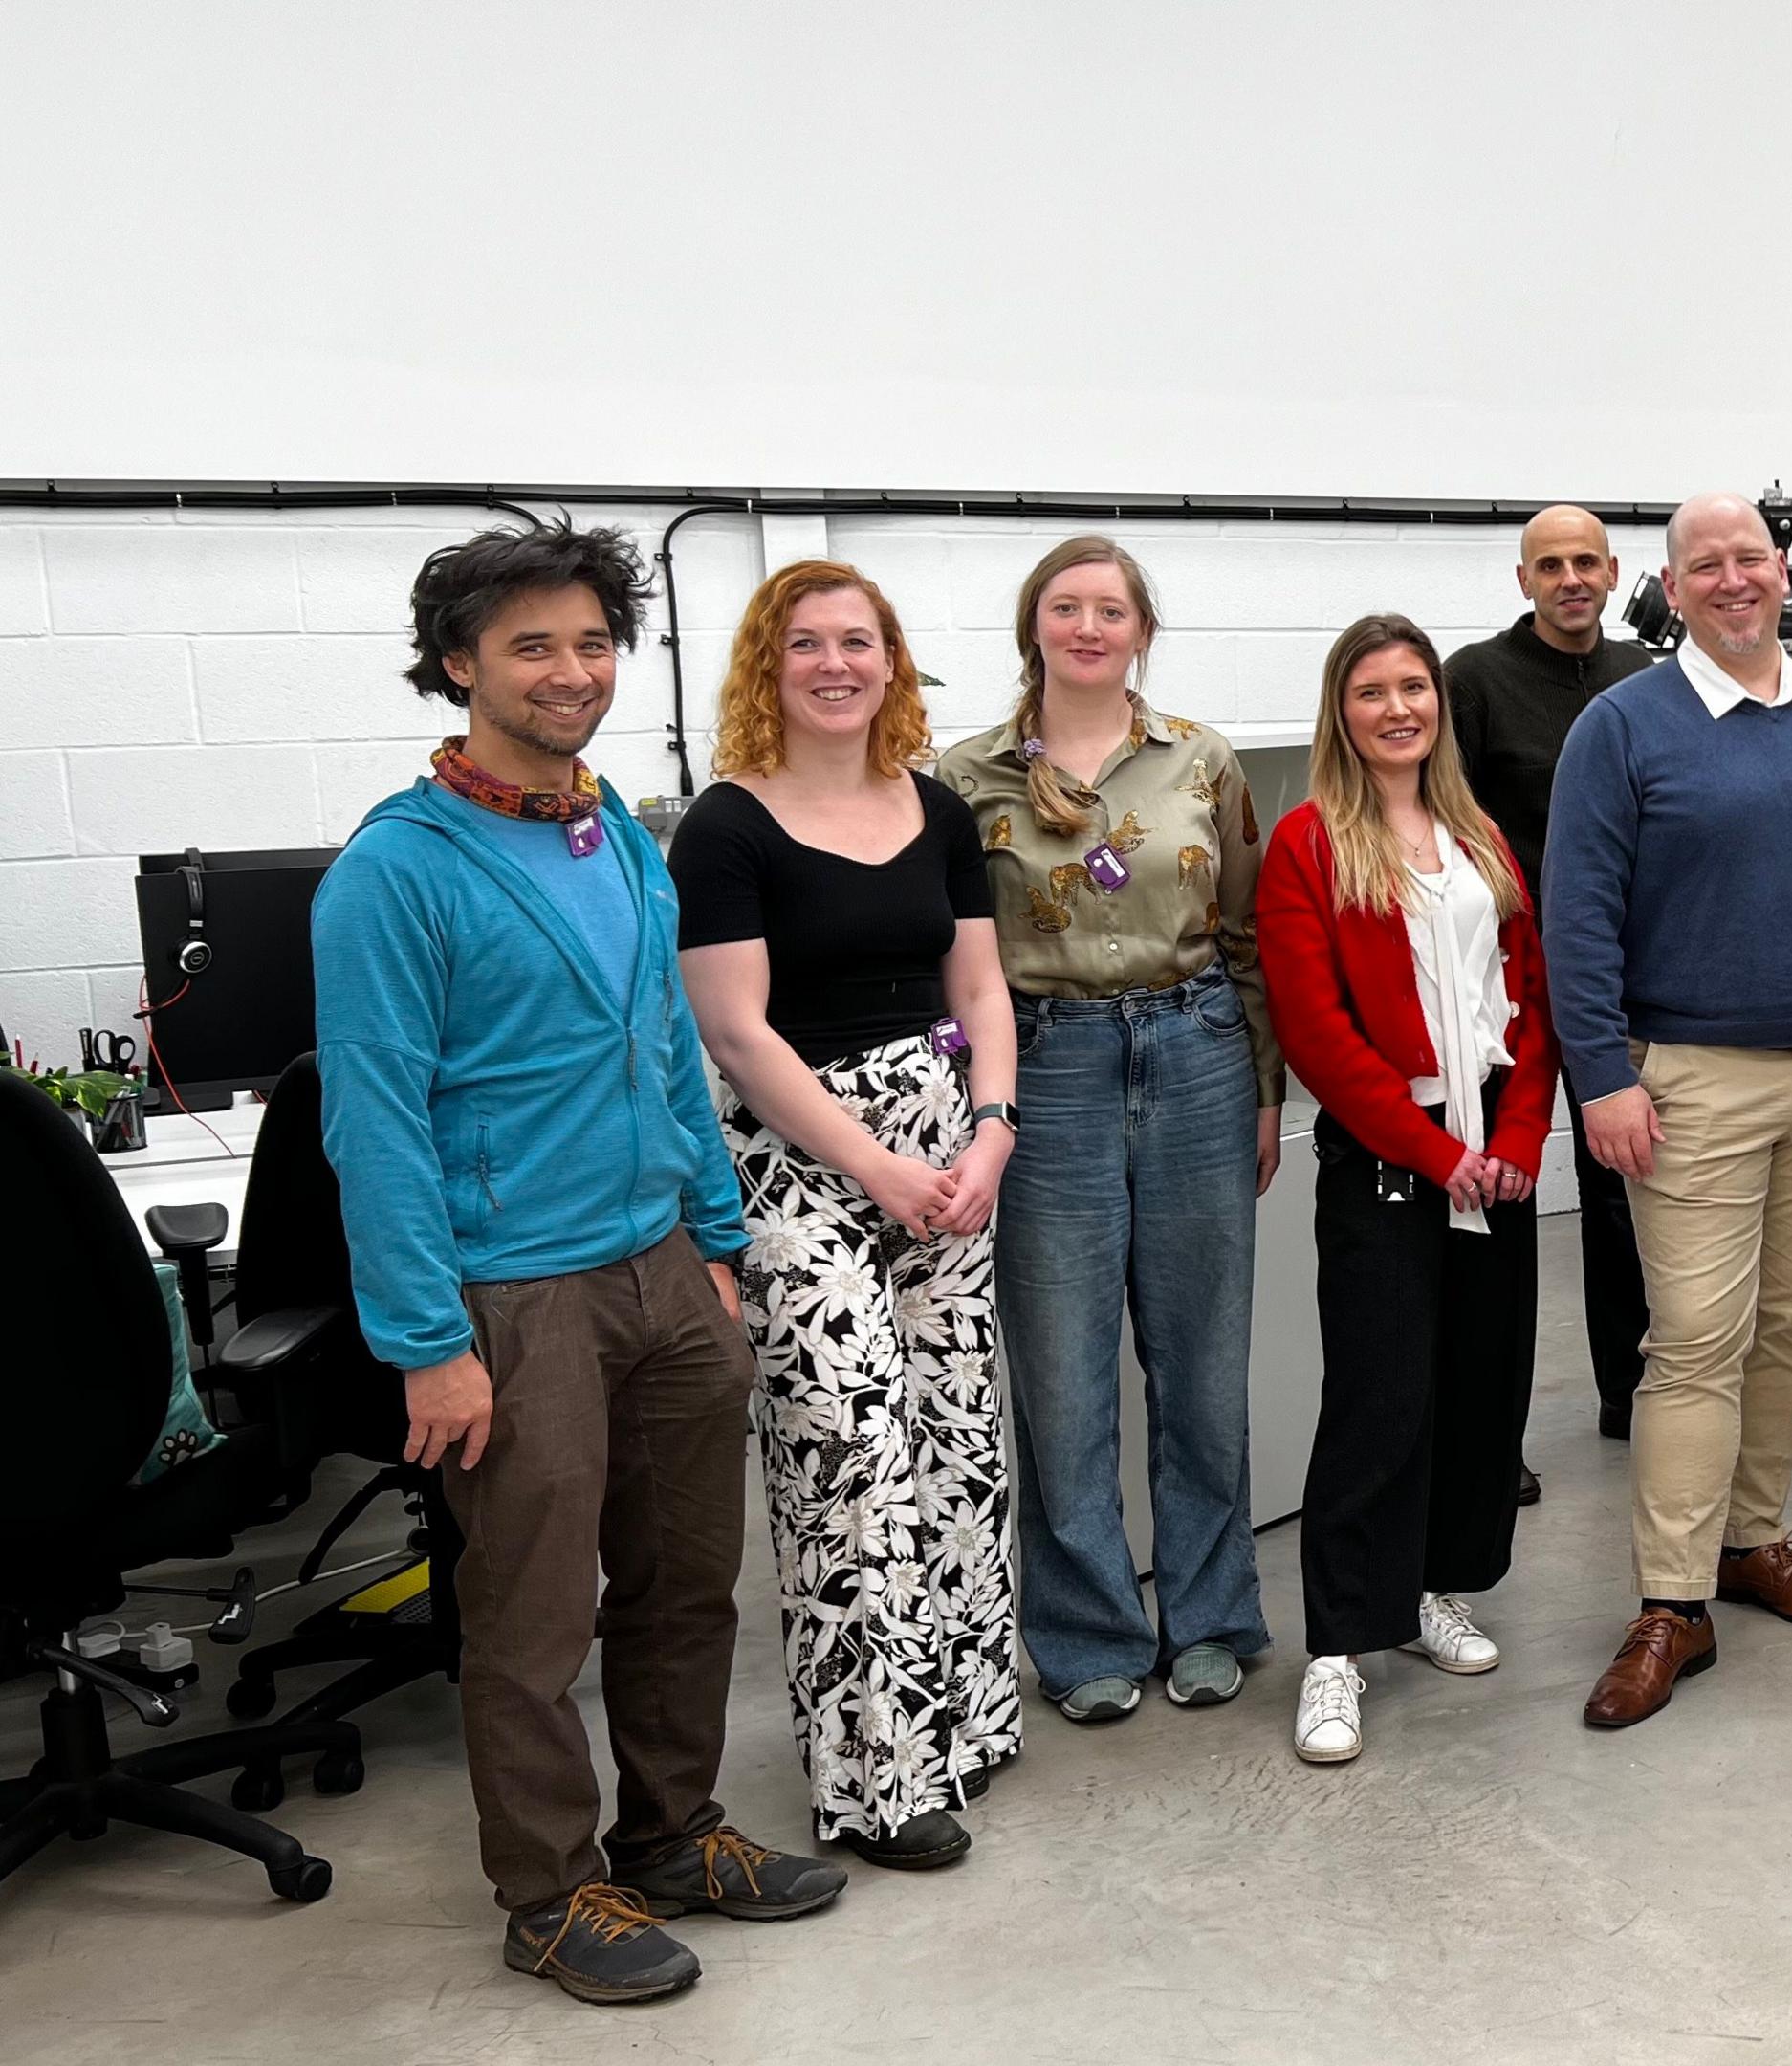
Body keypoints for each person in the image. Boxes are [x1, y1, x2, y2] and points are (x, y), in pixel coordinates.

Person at [315, 522, 843, 2005]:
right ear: (456, 666)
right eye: (532, 646)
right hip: (511, 1294)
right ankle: (548, 1891)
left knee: (685, 1589)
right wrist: (428, 1338)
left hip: (663, 1268)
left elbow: (670, 1046)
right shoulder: (394, 874)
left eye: (593, 643)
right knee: (535, 1617)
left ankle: (674, 1834)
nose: (571, 672)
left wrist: (718, 1246)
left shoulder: (612, 827)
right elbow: (376, 1127)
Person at [1546, 492, 1792, 1729]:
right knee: (1695, 1341)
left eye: (1750, 560)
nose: (1732, 581)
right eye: (1704, 565)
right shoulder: (1623, 728)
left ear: (1783, 574)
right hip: (1691, 1082)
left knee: (1787, 1323)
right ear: (1669, 590)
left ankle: (1752, 1541)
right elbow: (1579, 915)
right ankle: (1673, 1598)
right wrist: (1604, 1075)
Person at [669, 561, 1019, 1874]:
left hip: (948, 1156)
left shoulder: (933, 808)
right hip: (802, 1164)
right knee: (848, 1459)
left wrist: (991, 1131)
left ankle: (968, 1717)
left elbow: (980, 989)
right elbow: (737, 1033)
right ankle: (880, 1776)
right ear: (770, 666)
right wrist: (877, 1166)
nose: (835, 664)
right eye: (805, 644)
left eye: (858, 642)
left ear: (892, 661)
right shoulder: (725, 827)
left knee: (959, 1443)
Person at [939, 536, 1285, 1727]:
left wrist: (1265, 1088)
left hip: (1195, 1053)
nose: (1089, 627)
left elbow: (1245, 935)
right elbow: (956, 965)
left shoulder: (1201, 759)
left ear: (1141, 630)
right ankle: (1088, 1635)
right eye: (1066, 608)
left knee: (1201, 1364)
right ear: (1034, 626)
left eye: (1112, 610)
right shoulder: (964, 775)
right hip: (1045, 1069)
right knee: (1064, 1372)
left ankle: (1210, 1615)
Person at [1256, 614, 1555, 1764]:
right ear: (1343, 710)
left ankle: (1433, 1589)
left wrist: (1522, 1135)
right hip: (1393, 1155)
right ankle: (1337, 1647)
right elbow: (1318, 1034)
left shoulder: (1480, 837)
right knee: (1381, 1398)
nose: (1398, 708)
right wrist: (1441, 1157)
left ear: (1439, 703)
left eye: (1415, 687)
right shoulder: (1307, 844)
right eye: (1372, 690)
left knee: (1482, 1393)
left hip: (1500, 1154)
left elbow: (1529, 998)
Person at [1449, 505, 1655, 1465]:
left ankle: (1634, 1395)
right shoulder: (1475, 682)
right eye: (1550, 565)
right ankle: (1494, 1436)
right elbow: (1446, 817)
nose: (1571, 578)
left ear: (1614, 574)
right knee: (1504, 1191)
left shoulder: (1645, 681)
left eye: (1587, 562)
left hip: (1626, 972)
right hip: (1507, 976)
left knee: (1623, 1186)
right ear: (1522, 579)